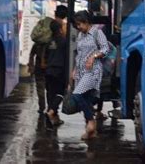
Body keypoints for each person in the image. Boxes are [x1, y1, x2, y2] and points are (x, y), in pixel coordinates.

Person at [71, 10, 109, 140]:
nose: (78, 27)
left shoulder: (97, 33)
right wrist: (75, 69)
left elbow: (105, 49)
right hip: (81, 70)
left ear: (86, 22)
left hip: (93, 70)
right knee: (85, 99)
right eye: (77, 25)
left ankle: (91, 122)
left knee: (77, 95)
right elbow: (79, 53)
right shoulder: (81, 35)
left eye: (79, 24)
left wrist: (93, 56)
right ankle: (90, 130)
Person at [45, 20, 68, 127]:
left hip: (49, 70)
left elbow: (45, 55)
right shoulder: (64, 41)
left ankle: (52, 117)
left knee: (51, 94)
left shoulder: (49, 41)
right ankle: (51, 112)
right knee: (61, 93)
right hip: (59, 70)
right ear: (59, 29)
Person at [28, 42, 48, 113]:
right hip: (49, 68)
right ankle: (51, 108)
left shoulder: (37, 43)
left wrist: (31, 66)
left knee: (40, 89)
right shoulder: (50, 42)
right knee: (50, 90)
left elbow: (31, 54)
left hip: (38, 68)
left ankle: (42, 107)